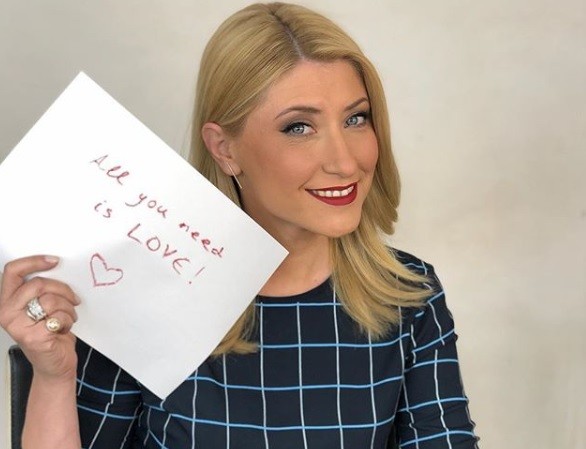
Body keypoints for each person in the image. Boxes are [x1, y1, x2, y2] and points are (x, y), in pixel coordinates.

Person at [0, 2, 479, 448]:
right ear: (225, 149)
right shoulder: (139, 292)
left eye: (356, 119)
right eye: (299, 127)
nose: (345, 161)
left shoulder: (410, 296)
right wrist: (54, 378)